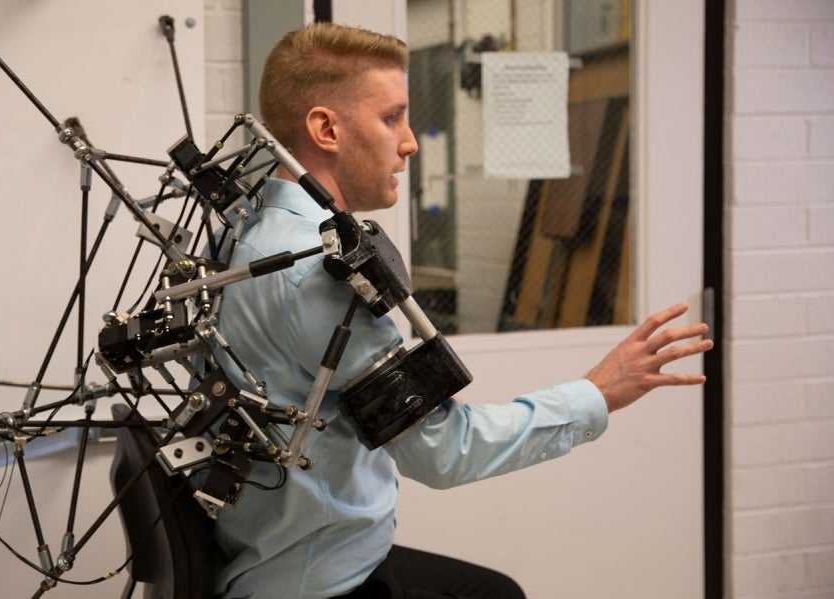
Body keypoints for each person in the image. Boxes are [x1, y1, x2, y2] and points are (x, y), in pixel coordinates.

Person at [207, 22, 712, 599]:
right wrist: (598, 392)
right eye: (391, 117)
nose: (410, 141)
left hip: (270, 552)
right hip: (319, 579)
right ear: (326, 129)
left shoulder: (242, 235)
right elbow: (442, 451)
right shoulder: (320, 275)